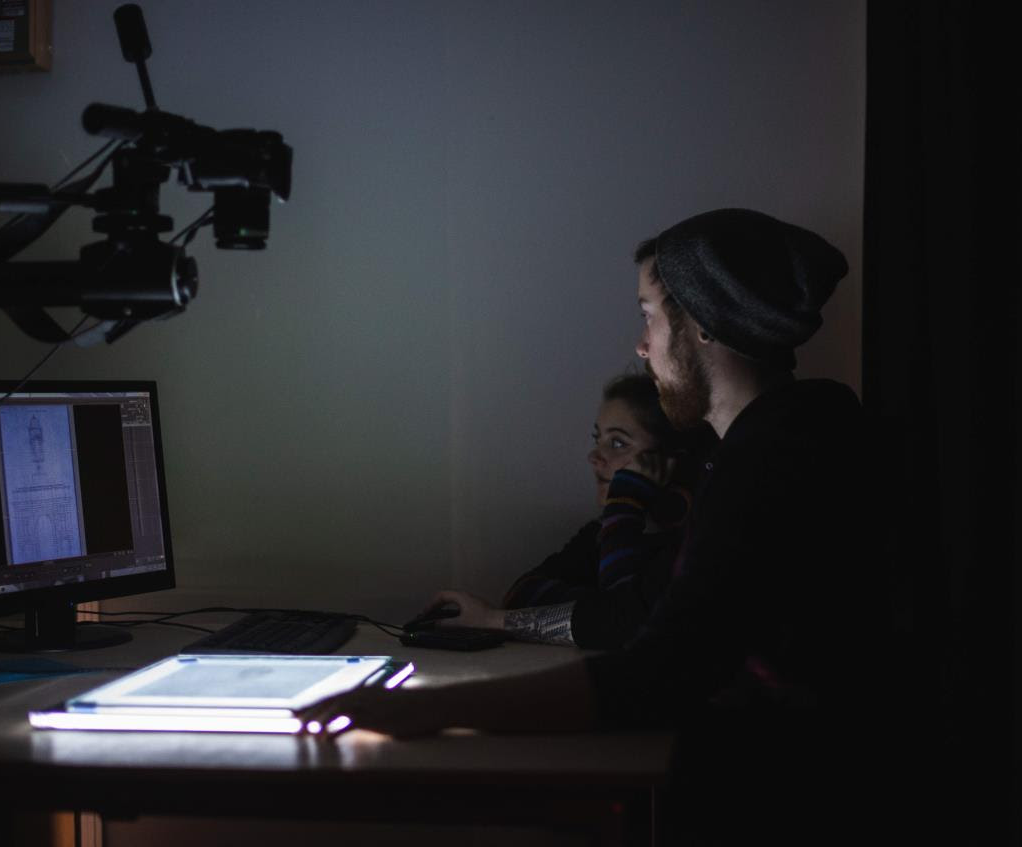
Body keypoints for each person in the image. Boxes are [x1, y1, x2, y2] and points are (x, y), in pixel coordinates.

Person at [301, 208, 896, 845]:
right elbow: (647, 613)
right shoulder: (784, 438)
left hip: (786, 802)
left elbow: (661, 671)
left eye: (648, 316)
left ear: (702, 324)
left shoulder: (773, 460)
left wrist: (423, 708)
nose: (641, 346)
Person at [421, 373, 711, 649]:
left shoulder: (692, 545)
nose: (594, 457)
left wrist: (625, 502)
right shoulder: (601, 532)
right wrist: (595, 610)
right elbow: (522, 594)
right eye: (597, 440)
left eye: (618, 443)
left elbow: (621, 625)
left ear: (671, 460)